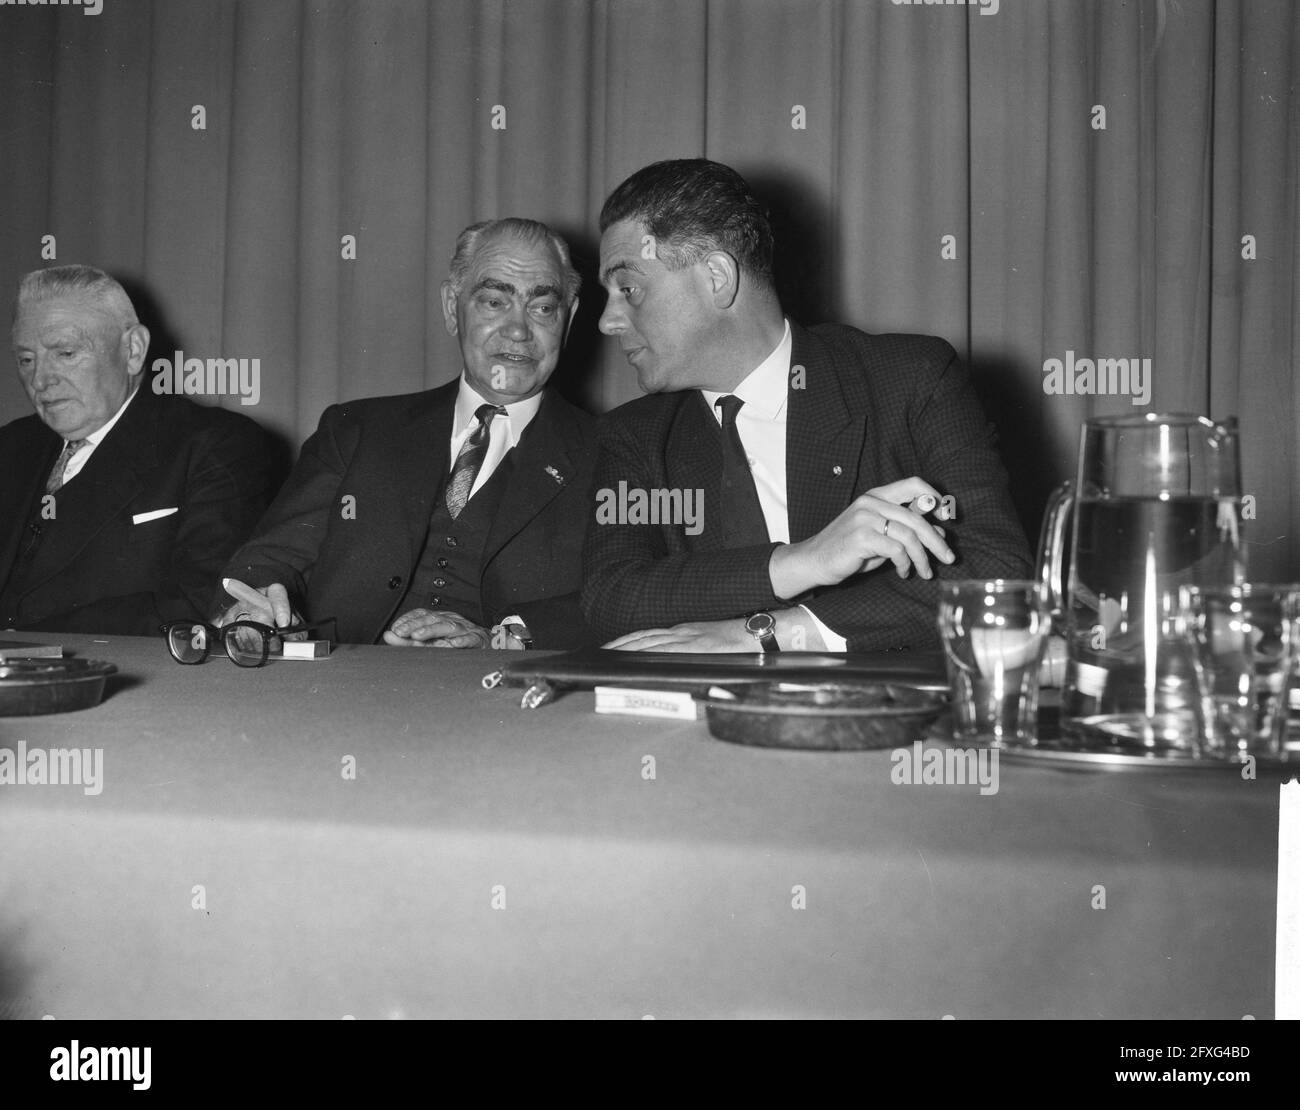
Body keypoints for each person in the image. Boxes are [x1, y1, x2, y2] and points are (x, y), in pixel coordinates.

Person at [583, 159, 1032, 653]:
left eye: (629, 289)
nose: (608, 321)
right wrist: (804, 561)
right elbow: (612, 597)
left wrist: (772, 634)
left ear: (716, 277)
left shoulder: (908, 378)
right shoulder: (634, 436)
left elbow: (994, 567)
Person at [216, 217, 596, 649]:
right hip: (340, 695)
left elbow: (625, 600)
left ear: (569, 319)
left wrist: (505, 635)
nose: (518, 330)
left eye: (543, 308)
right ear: (452, 307)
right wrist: (259, 607)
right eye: (494, 302)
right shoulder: (356, 431)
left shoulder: (610, 451)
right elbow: (268, 562)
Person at [0, 265, 279, 636]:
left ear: (133, 350)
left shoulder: (215, 445)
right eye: (26, 360)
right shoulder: (12, 445)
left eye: (65, 353)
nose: (40, 380)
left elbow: (198, 600)